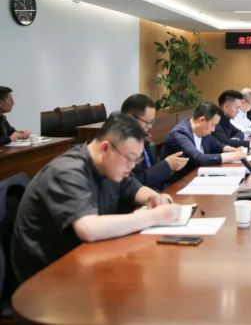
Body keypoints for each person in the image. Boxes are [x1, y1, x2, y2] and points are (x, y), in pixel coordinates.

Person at [11, 113, 182, 282]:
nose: (131, 167)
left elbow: (135, 188)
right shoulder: (68, 172)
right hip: (48, 276)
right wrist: (153, 217)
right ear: (105, 148)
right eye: (129, 159)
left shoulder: (110, 165)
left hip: (85, 258)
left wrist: (155, 197)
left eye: (136, 160)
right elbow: (88, 229)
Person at [160, 102, 246, 184]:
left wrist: (234, 150)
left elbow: (218, 146)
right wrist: (232, 156)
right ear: (202, 120)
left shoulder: (202, 130)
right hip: (178, 184)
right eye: (213, 125)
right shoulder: (179, 134)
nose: (213, 130)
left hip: (198, 177)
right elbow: (198, 158)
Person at [120, 94, 188, 190]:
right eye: (147, 122)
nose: (150, 127)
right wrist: (166, 166)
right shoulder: (119, 146)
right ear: (130, 118)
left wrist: (171, 168)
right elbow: (134, 182)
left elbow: (152, 173)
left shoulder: (145, 139)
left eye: (152, 122)